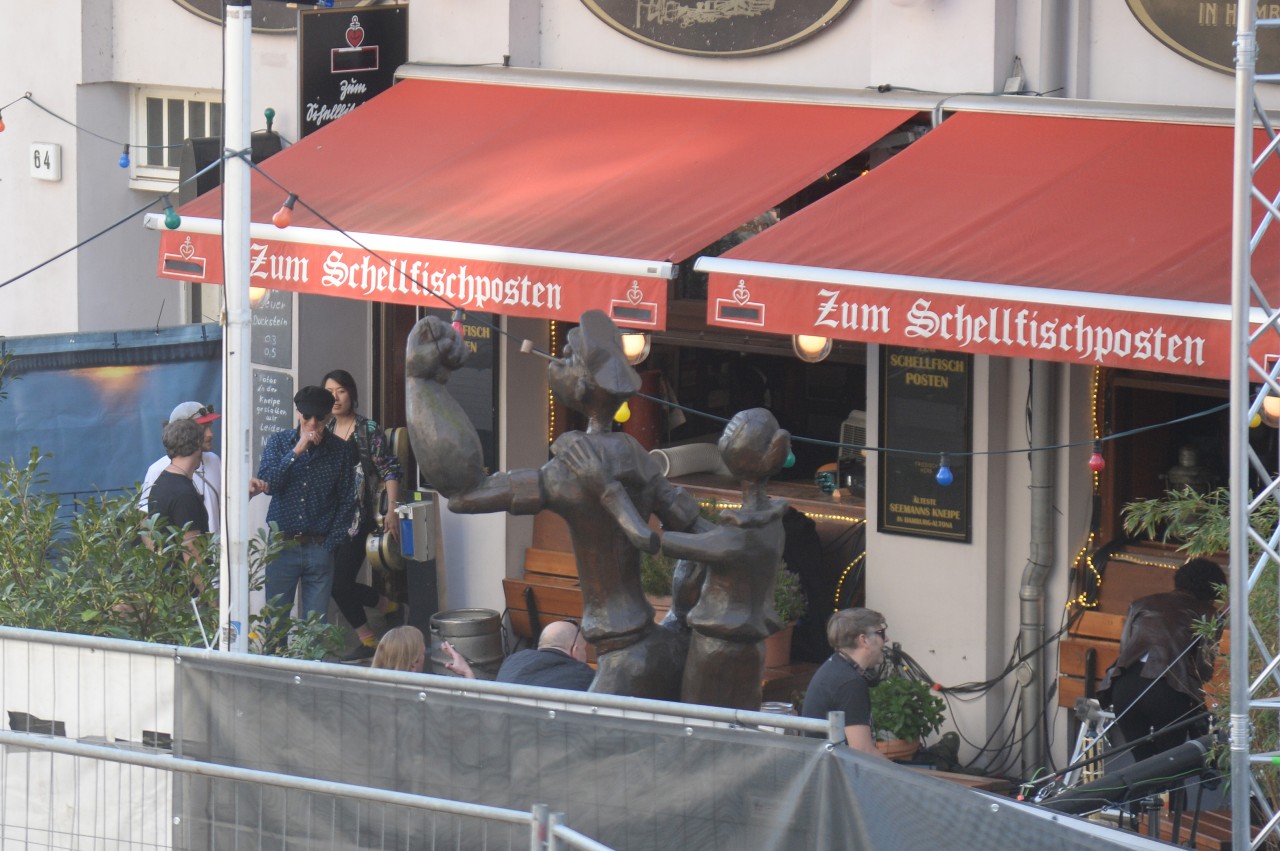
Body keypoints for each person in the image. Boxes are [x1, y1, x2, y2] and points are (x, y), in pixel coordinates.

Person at [407, 310, 710, 701]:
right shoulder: (636, 455)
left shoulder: (571, 466)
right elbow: (696, 531)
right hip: (647, 636)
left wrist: (422, 384)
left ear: (583, 387)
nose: (555, 361)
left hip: (622, 650)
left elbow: (465, 495)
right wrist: (680, 612)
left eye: (566, 356)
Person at [658, 408, 790, 710]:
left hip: (714, 648)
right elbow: (711, 540)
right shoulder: (771, 521)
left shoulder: (737, 535)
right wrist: (682, 513)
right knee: (742, 725)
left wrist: (616, 505)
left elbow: (657, 542)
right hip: (752, 648)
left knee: (700, 724)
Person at [1099, 557, 1225, 762]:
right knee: (1169, 765)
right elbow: (1203, 669)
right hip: (1169, 691)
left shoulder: (1141, 604)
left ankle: (1144, 794)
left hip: (1125, 687)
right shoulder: (1211, 615)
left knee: (1143, 766)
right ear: (1212, 591)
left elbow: (1124, 651)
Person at [255, 385, 357, 621]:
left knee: (314, 628)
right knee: (275, 623)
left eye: (319, 418)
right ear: (298, 413)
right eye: (307, 416)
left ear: (328, 416)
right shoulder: (279, 442)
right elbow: (269, 484)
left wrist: (330, 544)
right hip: (282, 545)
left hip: (319, 546)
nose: (312, 423)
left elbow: (347, 500)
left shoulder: (340, 451)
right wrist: (297, 451)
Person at [322, 369, 402, 657]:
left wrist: (392, 510)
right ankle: (387, 606)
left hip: (358, 517)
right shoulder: (325, 430)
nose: (335, 397)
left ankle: (369, 639)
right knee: (332, 581)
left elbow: (390, 470)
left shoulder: (367, 429)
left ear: (351, 394)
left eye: (340, 390)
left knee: (338, 582)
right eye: (329, 391)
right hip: (329, 520)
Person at [801, 607, 890, 758]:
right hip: (835, 777)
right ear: (864, 640)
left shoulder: (835, 667)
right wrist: (905, 778)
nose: (886, 639)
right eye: (881, 633)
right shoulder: (850, 683)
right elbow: (863, 752)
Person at [143, 417, 210, 595]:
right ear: (197, 445)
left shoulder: (161, 482)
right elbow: (192, 550)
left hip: (168, 587)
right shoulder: (183, 493)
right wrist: (212, 599)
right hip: (188, 594)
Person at [140, 401, 222, 535]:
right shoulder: (158, 469)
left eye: (210, 427)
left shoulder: (214, 461)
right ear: (184, 432)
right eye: (203, 428)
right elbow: (146, 523)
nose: (210, 434)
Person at [441, 620, 595, 691]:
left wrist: (468, 673)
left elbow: (490, 706)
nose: (585, 654)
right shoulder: (585, 675)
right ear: (575, 650)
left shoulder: (513, 660)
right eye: (584, 649)